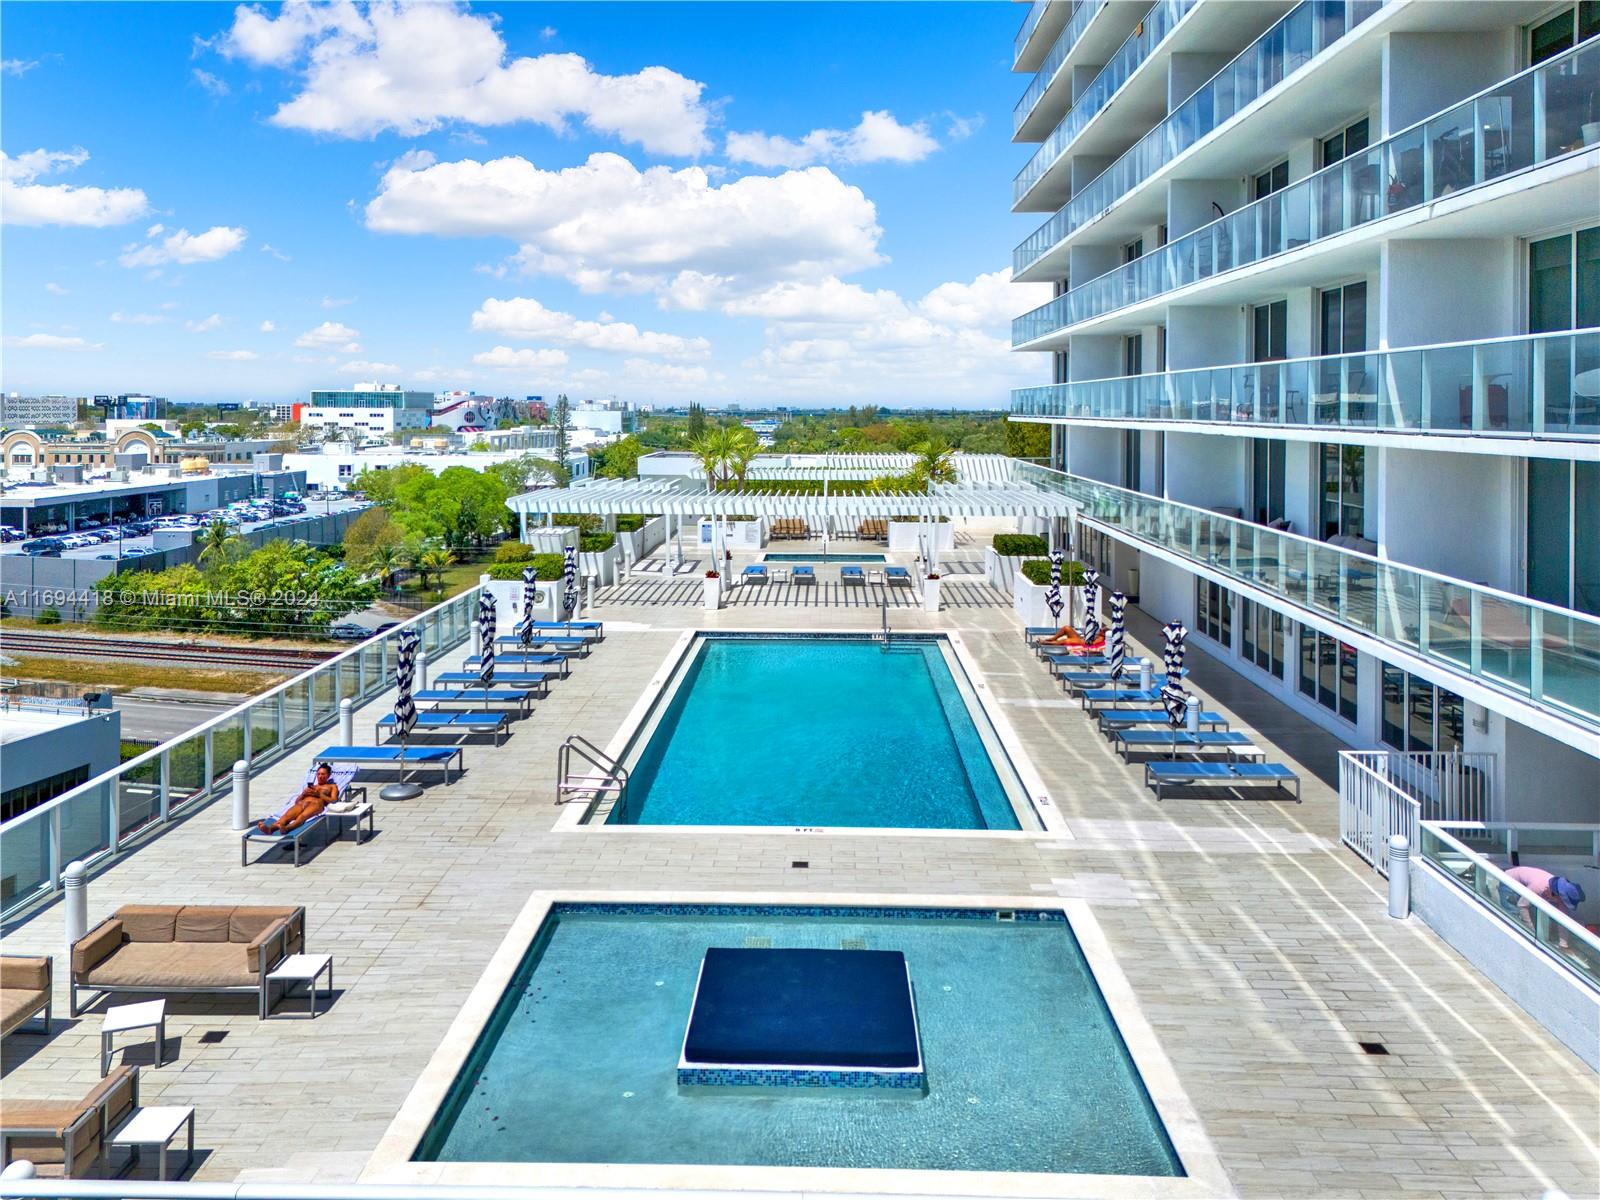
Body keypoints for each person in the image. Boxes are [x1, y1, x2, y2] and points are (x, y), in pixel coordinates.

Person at [1500, 866, 1585, 949]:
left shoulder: (1560, 895)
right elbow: (1522, 905)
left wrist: (1563, 944)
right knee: (1513, 916)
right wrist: (1532, 932)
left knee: (1534, 916)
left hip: (1525, 888)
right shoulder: (1538, 886)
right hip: (1509, 882)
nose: (1561, 903)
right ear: (1556, 894)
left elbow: (1562, 920)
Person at [256, 762, 339, 834]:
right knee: (286, 816)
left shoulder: (332, 786)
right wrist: (303, 794)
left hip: (316, 804)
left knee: (302, 817)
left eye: (323, 774)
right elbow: (296, 802)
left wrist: (319, 794)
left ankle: (287, 828)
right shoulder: (312, 786)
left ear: (328, 775)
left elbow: (334, 800)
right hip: (302, 803)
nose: (320, 776)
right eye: (318, 774)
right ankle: (270, 829)